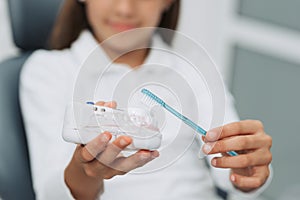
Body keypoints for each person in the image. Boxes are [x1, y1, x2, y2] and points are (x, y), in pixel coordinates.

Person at [20, 0, 273, 200]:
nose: (125, 8)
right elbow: (51, 195)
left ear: (168, 1)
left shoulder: (194, 67)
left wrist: (249, 170)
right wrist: (86, 172)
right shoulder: (48, 71)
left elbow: (231, 175)